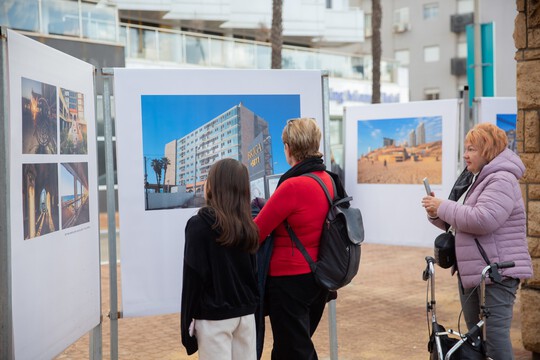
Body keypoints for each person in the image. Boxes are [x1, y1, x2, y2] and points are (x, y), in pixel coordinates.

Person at [422, 123, 532, 359]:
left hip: (496, 273)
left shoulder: (501, 179)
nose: (465, 155)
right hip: (478, 272)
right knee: (478, 340)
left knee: (494, 338)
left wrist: (444, 206)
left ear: (488, 150)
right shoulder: (481, 179)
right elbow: (463, 221)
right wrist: (436, 212)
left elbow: (483, 220)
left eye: (471, 149)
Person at [253, 117, 345, 360]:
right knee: (291, 347)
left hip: (289, 282)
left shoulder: (292, 186)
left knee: (294, 351)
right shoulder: (328, 179)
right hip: (320, 278)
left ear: (288, 148)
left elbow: (256, 232)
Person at [181, 158, 260, 360]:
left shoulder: (198, 225)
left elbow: (192, 278)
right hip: (246, 316)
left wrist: (186, 326)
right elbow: (254, 275)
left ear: (213, 185)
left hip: (214, 318)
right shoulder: (248, 226)